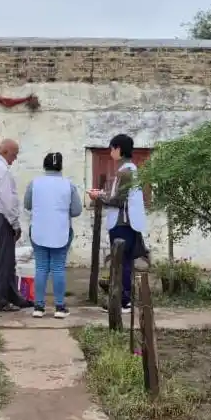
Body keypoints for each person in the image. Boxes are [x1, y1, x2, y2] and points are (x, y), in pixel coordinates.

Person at [88, 133, 148, 314]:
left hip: (122, 224)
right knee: (125, 262)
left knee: (121, 263)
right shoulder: (130, 169)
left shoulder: (125, 172)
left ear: (119, 149)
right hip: (127, 222)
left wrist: (99, 196)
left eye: (112, 148)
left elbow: (118, 200)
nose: (110, 152)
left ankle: (123, 301)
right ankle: (124, 300)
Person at [24, 152, 82, 319]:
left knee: (41, 267)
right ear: (61, 166)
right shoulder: (68, 185)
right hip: (61, 230)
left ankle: (39, 307)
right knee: (58, 268)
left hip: (38, 230)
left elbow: (27, 205)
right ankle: (59, 307)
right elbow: (77, 210)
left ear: (44, 166)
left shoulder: (34, 184)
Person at [0, 138, 32, 312]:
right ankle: (0, 301)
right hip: (0, 218)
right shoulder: (1, 169)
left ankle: (13, 296)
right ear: (5, 152)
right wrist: (15, 224)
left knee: (4, 261)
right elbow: (8, 200)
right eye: (14, 155)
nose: (14, 159)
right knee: (4, 263)